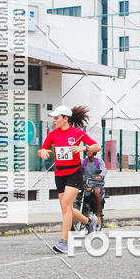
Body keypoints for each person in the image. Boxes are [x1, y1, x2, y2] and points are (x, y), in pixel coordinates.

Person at [38, 105, 100, 254]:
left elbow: (96, 146)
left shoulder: (77, 133)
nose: (54, 120)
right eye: (53, 118)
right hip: (59, 174)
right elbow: (41, 150)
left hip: (75, 173)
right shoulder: (53, 134)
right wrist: (43, 152)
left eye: (56, 118)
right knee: (67, 209)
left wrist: (84, 149)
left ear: (65, 118)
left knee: (66, 205)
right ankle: (88, 222)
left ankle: (64, 242)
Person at [82, 150, 107, 229]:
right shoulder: (83, 162)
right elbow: (77, 169)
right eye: (87, 151)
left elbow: (104, 170)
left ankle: (98, 215)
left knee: (96, 192)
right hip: (86, 184)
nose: (88, 153)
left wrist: (100, 176)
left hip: (97, 183)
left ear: (94, 153)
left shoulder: (99, 161)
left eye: (90, 151)